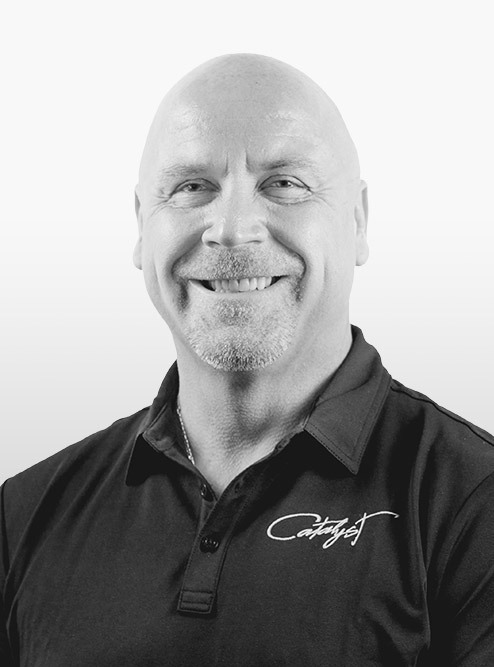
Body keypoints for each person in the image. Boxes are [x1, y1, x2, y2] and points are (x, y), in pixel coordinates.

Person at [1, 54, 493, 666]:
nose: (232, 229)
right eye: (191, 187)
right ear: (142, 227)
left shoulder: (472, 503)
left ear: (359, 222)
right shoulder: (24, 516)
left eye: (284, 184)